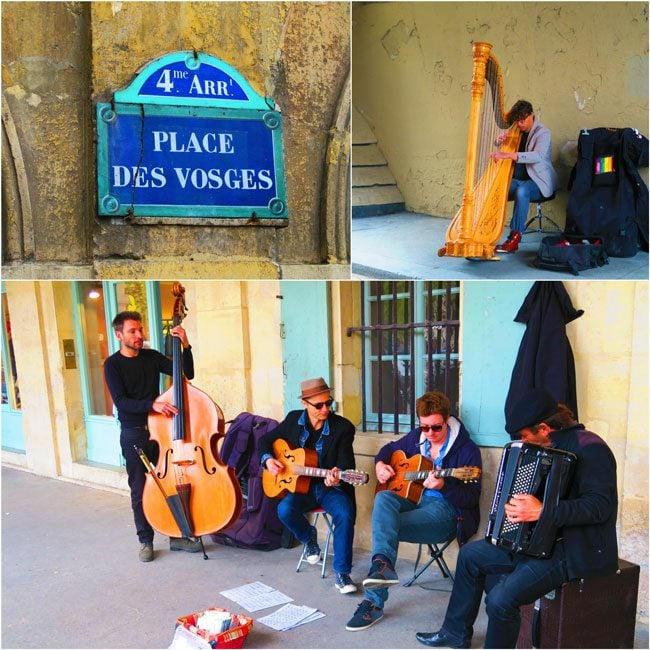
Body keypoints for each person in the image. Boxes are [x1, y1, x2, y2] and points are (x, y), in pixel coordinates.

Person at [415, 388, 618, 649]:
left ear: (544, 429)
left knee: (500, 600)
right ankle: (455, 633)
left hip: (573, 550)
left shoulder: (591, 448)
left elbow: (600, 506)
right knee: (470, 556)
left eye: (524, 435)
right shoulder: (545, 447)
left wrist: (543, 511)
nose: (522, 440)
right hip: (535, 542)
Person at [345, 391, 482, 631]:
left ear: (447, 420)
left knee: (384, 525)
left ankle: (373, 602)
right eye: (424, 427)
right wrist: (380, 466)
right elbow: (387, 450)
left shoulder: (467, 451)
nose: (429, 434)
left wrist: (444, 486)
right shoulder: (417, 438)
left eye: (436, 428)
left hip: (446, 513)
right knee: (385, 497)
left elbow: (471, 499)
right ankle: (382, 566)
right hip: (415, 500)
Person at [103, 310, 202, 562]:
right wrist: (153, 404)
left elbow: (186, 373)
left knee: (169, 484)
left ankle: (177, 535)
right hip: (133, 434)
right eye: (132, 331)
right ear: (119, 335)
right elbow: (122, 402)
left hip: (160, 434)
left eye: (140, 330)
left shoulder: (151, 357)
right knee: (139, 490)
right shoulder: (112, 365)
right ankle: (145, 541)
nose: (139, 335)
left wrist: (186, 345)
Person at [258, 377, 358, 595]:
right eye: (319, 405)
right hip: (301, 487)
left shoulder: (343, 428)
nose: (325, 409)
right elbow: (264, 441)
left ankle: (342, 574)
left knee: (345, 512)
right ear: (305, 403)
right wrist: (268, 459)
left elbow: (347, 464)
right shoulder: (293, 420)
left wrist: (337, 475)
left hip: (328, 488)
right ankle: (308, 537)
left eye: (328, 403)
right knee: (284, 510)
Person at [492, 100, 559, 254]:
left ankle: (514, 238)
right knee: (495, 187)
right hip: (517, 180)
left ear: (531, 115)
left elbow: (538, 155)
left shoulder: (543, 133)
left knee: (522, 191)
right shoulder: (516, 131)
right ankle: (487, 231)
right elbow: (503, 147)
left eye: (523, 121)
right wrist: (499, 141)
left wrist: (509, 155)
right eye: (517, 121)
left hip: (538, 182)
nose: (520, 124)